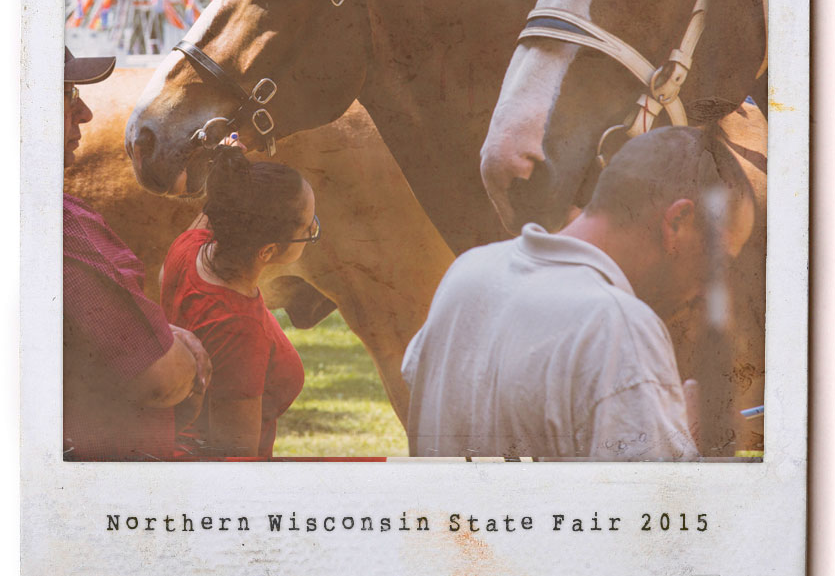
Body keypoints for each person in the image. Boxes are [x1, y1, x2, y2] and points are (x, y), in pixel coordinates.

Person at [401, 126, 755, 460]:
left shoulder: (468, 273)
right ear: (677, 222)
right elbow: (650, 500)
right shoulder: (618, 327)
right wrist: (689, 438)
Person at [63, 47, 212, 461]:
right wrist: (187, 355)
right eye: (69, 94)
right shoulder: (62, 228)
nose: (85, 113)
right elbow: (161, 380)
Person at [160, 143, 317, 458]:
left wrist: (231, 174)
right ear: (267, 251)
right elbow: (236, 457)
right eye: (308, 228)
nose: (314, 227)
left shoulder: (188, 248)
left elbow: (222, 212)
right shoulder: (238, 328)